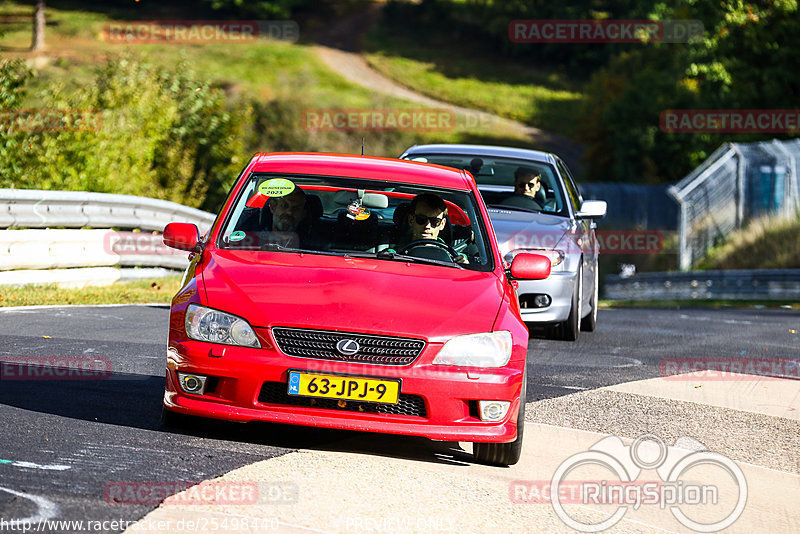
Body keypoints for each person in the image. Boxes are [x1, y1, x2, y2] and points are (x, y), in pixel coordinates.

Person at [395, 193, 468, 264]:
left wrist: (464, 266)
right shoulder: (393, 253)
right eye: (421, 219)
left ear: (442, 224)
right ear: (411, 220)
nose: (427, 226)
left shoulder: (456, 257)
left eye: (435, 221)